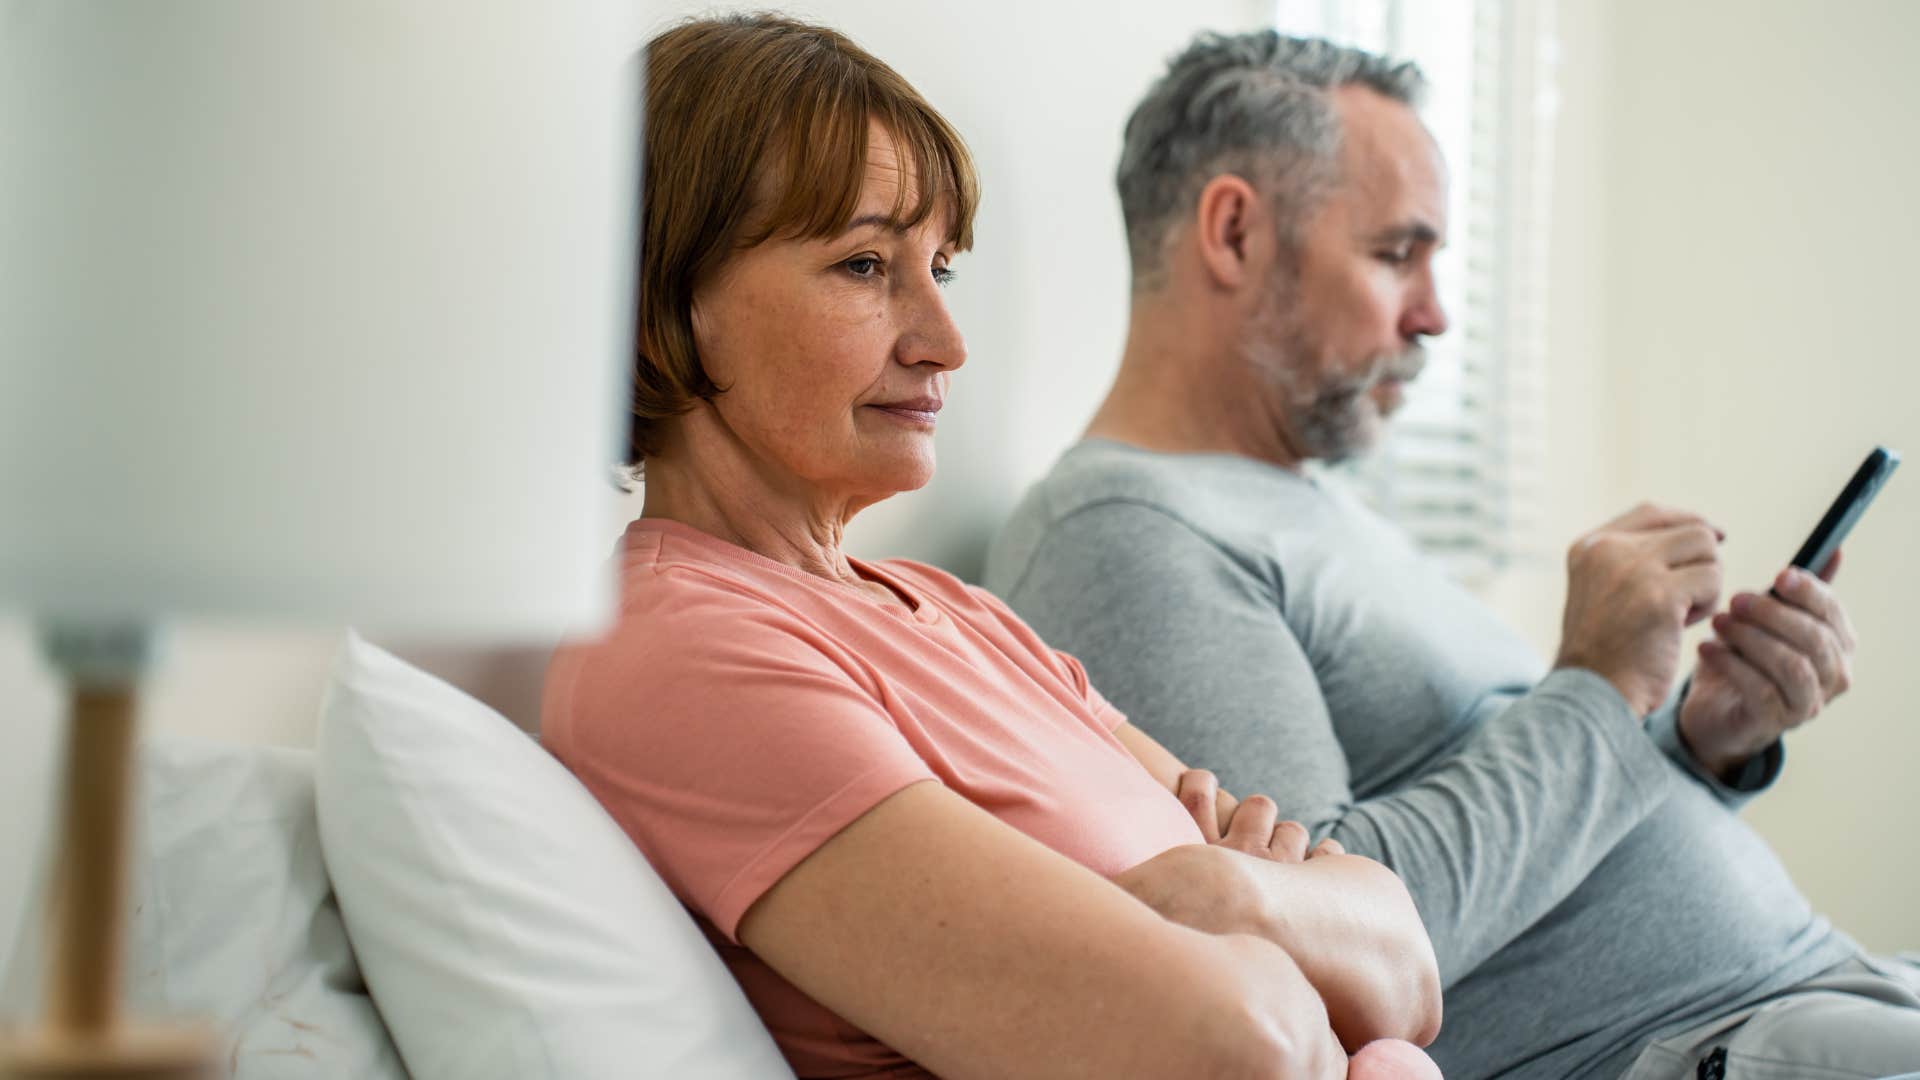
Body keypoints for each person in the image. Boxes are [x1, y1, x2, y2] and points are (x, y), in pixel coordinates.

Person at [984, 29, 1920, 1080]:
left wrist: (1702, 736)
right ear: (1235, 232)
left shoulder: (1309, 500)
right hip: (1714, 1046)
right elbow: (1326, 947)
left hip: (1822, 997)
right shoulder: (1127, 536)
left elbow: (1545, 803)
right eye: (1395, 254)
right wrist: (1601, 686)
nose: (1436, 314)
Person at [542, 15, 1443, 1080]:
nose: (944, 342)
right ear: (662, 305)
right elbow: (1226, 1042)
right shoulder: (677, 648)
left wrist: (1222, 894)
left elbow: (1410, 970)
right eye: (865, 264)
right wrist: (1274, 934)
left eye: (941, 269)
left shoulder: (957, 613)